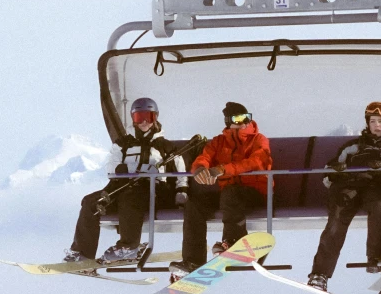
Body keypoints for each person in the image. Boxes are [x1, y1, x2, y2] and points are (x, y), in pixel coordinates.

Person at [65, 97, 188, 263]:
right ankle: (83, 254)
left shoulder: (165, 146)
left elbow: (181, 171)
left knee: (131, 195)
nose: (144, 122)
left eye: (148, 117)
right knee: (90, 202)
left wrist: (182, 191)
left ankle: (128, 247)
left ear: (155, 117)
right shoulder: (123, 144)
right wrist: (126, 170)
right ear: (133, 119)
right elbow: (112, 166)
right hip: (122, 188)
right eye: (139, 117)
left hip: (153, 192)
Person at [306, 102, 381, 292]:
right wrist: (338, 172)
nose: (376, 126)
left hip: (374, 189)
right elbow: (328, 173)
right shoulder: (353, 147)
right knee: (337, 218)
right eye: (373, 121)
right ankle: (320, 273)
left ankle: (375, 257)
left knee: (380, 206)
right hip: (349, 188)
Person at [169, 102, 272, 280]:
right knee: (195, 204)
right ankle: (193, 261)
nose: (243, 122)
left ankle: (233, 241)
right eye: (238, 119)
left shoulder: (258, 140)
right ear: (227, 121)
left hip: (254, 192)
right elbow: (204, 157)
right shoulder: (219, 142)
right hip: (229, 195)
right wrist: (200, 168)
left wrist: (222, 170)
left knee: (231, 193)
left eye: (246, 117)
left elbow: (254, 162)